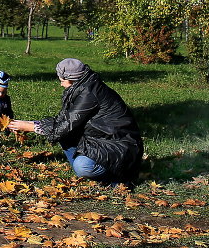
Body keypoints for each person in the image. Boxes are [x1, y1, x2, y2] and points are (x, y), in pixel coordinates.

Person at [9, 58, 142, 185]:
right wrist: (31, 124)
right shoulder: (83, 87)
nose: (60, 83)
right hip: (103, 139)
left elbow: (66, 125)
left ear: (70, 79)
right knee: (65, 137)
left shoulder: (89, 94)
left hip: (120, 146)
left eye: (61, 80)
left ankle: (118, 177)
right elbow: (63, 121)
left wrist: (31, 127)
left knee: (82, 166)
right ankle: (97, 171)